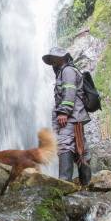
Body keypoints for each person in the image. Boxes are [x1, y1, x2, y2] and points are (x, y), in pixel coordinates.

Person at [41, 47, 92, 185]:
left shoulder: (68, 71)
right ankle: (86, 183)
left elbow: (69, 91)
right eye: (50, 59)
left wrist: (64, 111)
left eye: (53, 58)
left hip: (71, 117)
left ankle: (65, 183)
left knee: (64, 144)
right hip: (74, 117)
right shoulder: (64, 71)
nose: (52, 61)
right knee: (80, 148)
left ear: (62, 57)